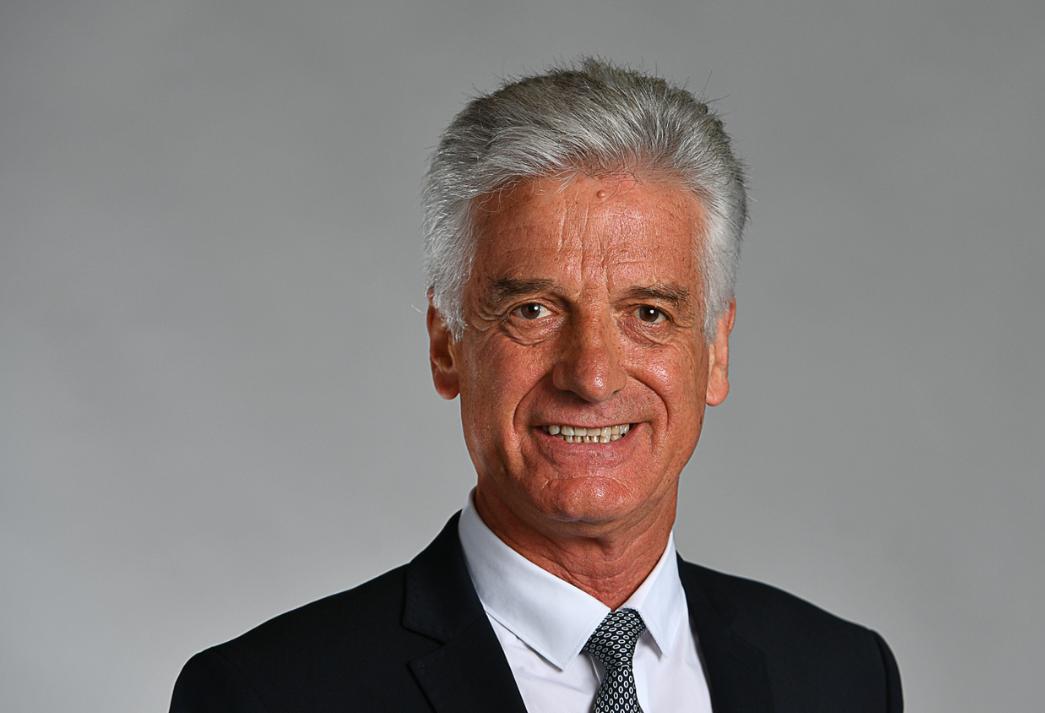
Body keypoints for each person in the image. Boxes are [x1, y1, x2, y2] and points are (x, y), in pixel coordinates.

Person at [170, 58, 903, 713]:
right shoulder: (267, 695)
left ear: (715, 352)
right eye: (533, 310)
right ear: (446, 344)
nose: (592, 376)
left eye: (648, 313)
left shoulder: (844, 677)